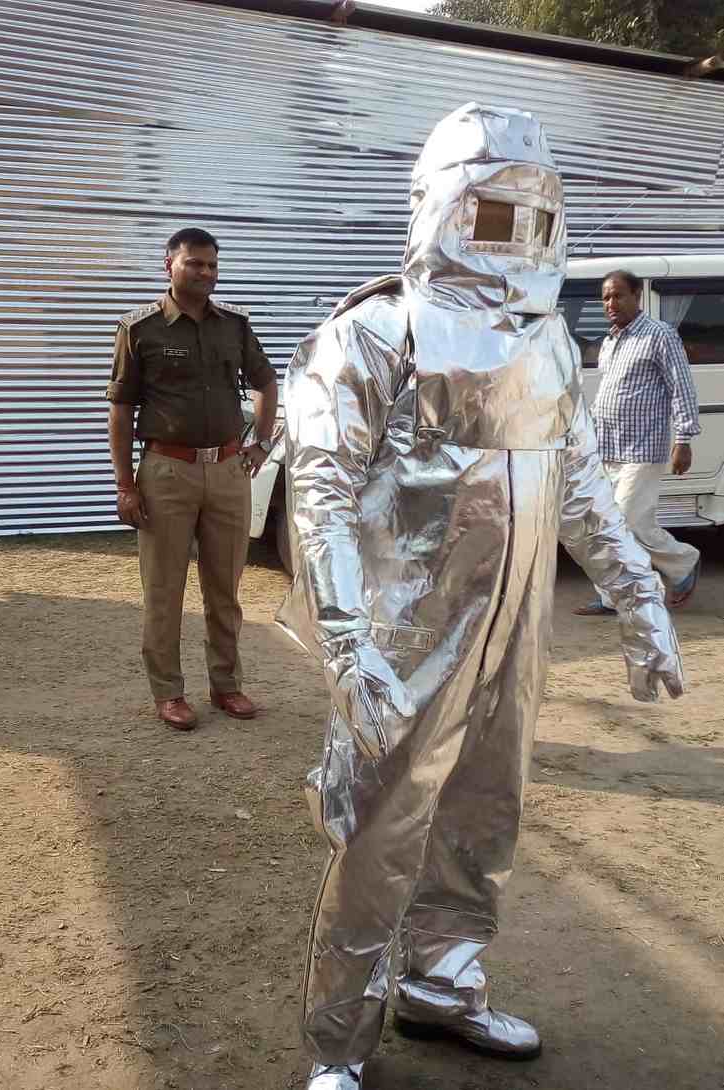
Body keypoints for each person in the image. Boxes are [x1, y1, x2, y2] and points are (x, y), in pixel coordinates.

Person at [276, 103, 684, 1090]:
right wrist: (344, 640)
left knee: (483, 817)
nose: (517, 234)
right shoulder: (379, 329)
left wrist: (641, 599)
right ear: (446, 205)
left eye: (535, 213)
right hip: (410, 636)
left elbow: (581, 482)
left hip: (515, 633)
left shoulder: (545, 342)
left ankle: (443, 987)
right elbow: (320, 489)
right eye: (495, 210)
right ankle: (338, 1041)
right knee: (384, 831)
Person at [107, 227, 278, 730]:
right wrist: (125, 484)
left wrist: (262, 443)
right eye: (195, 264)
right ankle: (169, 693)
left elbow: (266, 382)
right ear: (169, 266)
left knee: (225, 587)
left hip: (228, 471)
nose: (206, 273)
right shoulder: (140, 330)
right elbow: (120, 408)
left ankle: (226, 685)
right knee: (164, 590)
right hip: (167, 472)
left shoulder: (234, 326)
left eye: (212, 265)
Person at [573, 269, 702, 616]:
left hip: (643, 449)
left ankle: (685, 563)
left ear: (637, 296)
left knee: (628, 523)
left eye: (618, 295)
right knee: (604, 526)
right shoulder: (611, 341)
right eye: (605, 298)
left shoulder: (659, 334)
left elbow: (681, 387)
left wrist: (684, 438)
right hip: (607, 448)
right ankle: (612, 596)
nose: (611, 303)